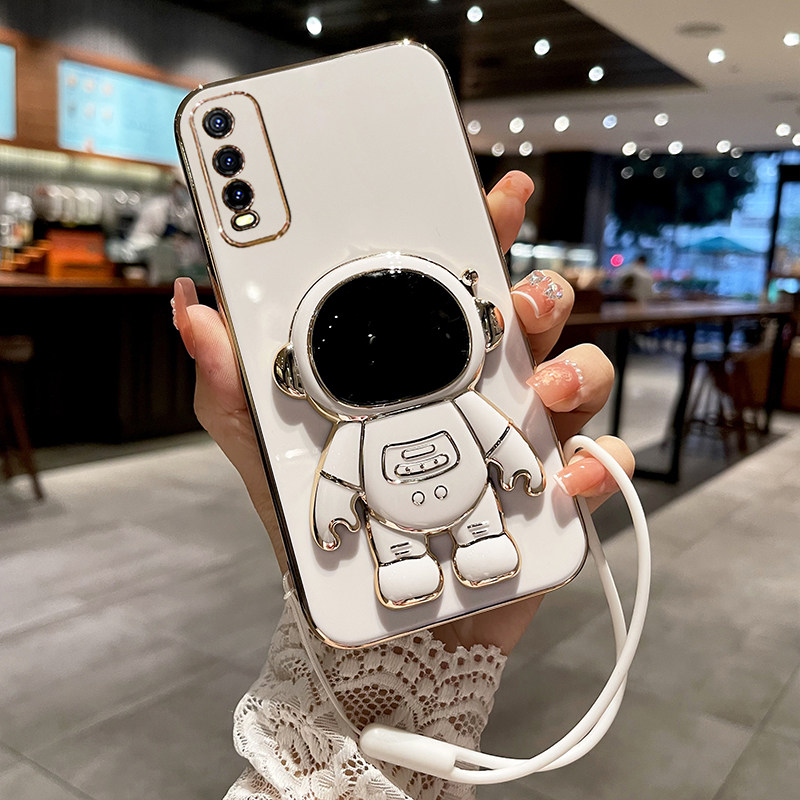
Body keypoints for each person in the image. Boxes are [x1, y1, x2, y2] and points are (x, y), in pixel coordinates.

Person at [171, 171, 634, 800]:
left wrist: (523, 467)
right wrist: (330, 518)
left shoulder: (437, 412)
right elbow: (341, 478)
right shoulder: (365, 429)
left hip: (468, 503)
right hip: (401, 523)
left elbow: (497, 442)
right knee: (407, 545)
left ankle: (469, 545)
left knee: (475, 525)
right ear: (295, 375)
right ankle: (416, 558)